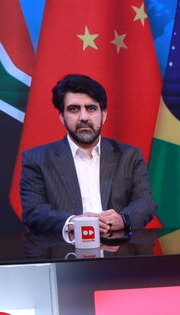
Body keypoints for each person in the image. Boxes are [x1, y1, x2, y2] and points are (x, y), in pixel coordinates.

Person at [19, 73, 157, 237]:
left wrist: (123, 219)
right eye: (74, 109)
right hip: (65, 249)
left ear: (103, 115)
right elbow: (33, 211)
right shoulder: (37, 159)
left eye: (91, 108)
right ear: (62, 117)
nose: (83, 117)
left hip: (117, 248)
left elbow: (145, 203)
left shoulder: (129, 156)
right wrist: (74, 222)